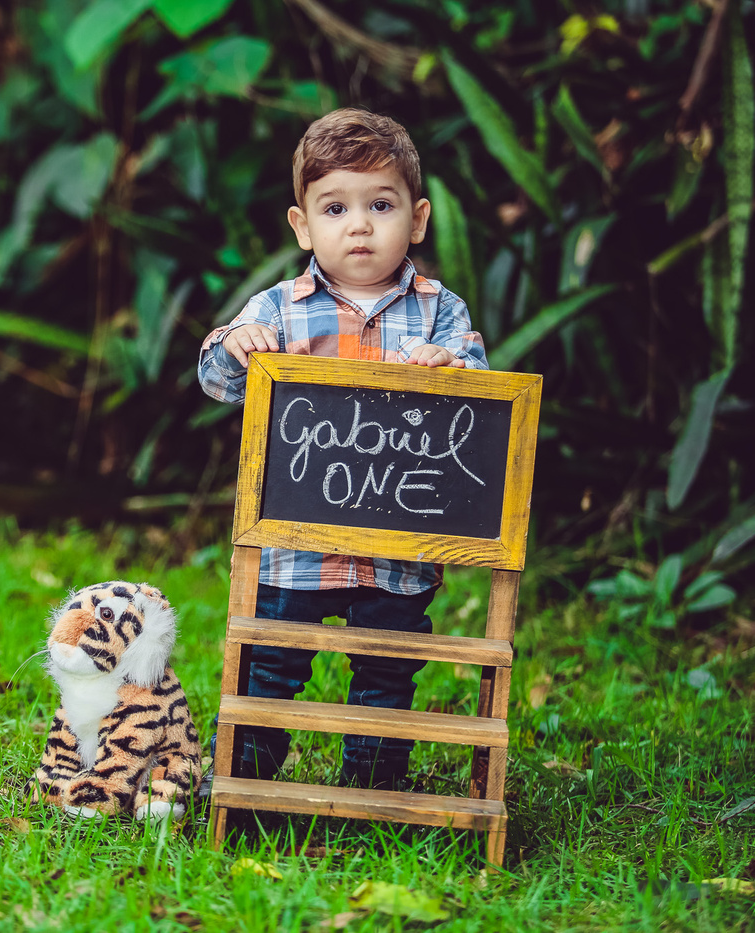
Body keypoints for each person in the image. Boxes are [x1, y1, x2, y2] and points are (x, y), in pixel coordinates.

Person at [197, 108, 489, 790]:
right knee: (269, 664)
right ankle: (242, 779)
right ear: (303, 225)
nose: (359, 225)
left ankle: (372, 784)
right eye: (335, 208)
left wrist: (454, 371)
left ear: (417, 219)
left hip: (397, 546)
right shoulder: (279, 308)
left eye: (380, 205)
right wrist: (234, 345)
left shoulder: (441, 311)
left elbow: (481, 402)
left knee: (387, 671)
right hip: (293, 544)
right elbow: (216, 378)